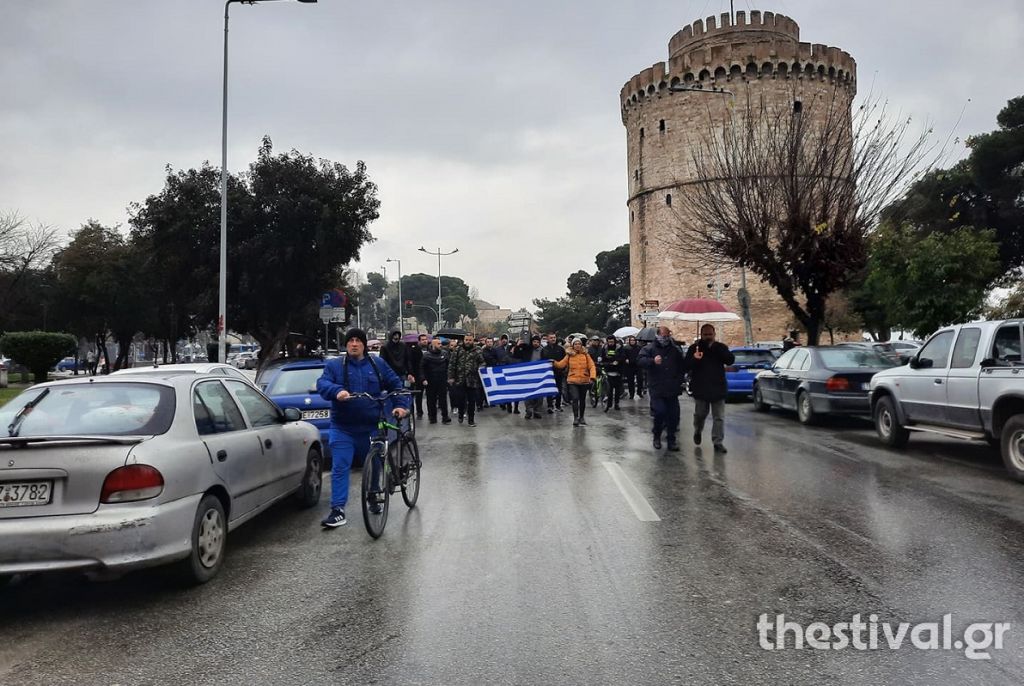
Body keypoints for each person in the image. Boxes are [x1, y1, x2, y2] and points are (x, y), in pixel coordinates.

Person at [316, 328, 410, 528]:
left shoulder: (377, 364)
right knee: (340, 467)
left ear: (364, 344)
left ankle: (374, 495)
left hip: (371, 426)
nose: (354, 344)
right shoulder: (335, 366)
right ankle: (337, 510)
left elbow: (395, 385)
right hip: (343, 427)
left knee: (376, 463)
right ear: (346, 344)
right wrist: (337, 391)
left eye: (358, 340)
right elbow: (322, 384)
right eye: (350, 341)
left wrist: (401, 405)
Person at [685, 324, 735, 453]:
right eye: (705, 335)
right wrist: (695, 359)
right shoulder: (694, 348)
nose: (708, 337)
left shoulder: (720, 347)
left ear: (714, 334)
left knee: (719, 417)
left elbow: (730, 360)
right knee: (700, 414)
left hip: (718, 387)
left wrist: (717, 349)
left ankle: (718, 442)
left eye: (710, 334)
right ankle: (697, 430)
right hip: (701, 388)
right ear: (701, 335)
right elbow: (686, 366)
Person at [638, 325, 686, 451]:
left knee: (674, 415)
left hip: (672, 388)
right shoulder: (649, 348)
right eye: (663, 336)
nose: (665, 338)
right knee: (660, 412)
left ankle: (671, 440)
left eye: (667, 335)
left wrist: (680, 380)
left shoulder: (674, 349)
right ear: (658, 335)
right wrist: (652, 361)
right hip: (657, 387)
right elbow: (640, 360)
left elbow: (682, 366)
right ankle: (657, 436)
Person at [553, 338, 597, 427]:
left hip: (584, 380)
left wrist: (592, 377)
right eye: (575, 344)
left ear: (581, 345)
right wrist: (553, 362)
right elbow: (561, 364)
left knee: (582, 400)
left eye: (579, 344)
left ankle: (582, 417)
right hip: (572, 380)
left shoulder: (586, 355)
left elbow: (592, 366)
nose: (577, 345)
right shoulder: (569, 355)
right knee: (575, 398)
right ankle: (576, 418)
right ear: (573, 345)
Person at [448, 334, 485, 426]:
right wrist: (451, 377)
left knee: (472, 401)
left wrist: (481, 367)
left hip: (472, 380)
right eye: (466, 340)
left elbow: (482, 362)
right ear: (463, 340)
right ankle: (461, 414)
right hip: (460, 379)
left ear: (473, 340)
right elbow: (452, 364)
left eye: (470, 340)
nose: (468, 342)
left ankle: (471, 420)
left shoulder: (477, 350)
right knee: (460, 399)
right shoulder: (458, 349)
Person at [420, 335, 451, 424]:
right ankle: (432, 417)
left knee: (443, 400)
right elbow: (421, 368)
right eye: (438, 344)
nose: (440, 345)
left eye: (440, 343)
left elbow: (449, 366)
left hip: (442, 380)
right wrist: (423, 379)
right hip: (430, 380)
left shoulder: (444, 354)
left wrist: (450, 377)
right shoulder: (426, 356)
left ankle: (445, 417)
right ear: (433, 345)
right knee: (431, 400)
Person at [521, 334, 546, 419]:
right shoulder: (527, 349)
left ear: (539, 343)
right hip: (528, 375)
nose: (535, 343)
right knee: (528, 393)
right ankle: (528, 410)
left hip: (539, 376)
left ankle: (537, 410)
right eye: (534, 341)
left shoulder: (543, 350)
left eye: (537, 342)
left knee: (539, 394)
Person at [541, 333, 566, 413]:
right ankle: (550, 406)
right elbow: (542, 361)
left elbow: (565, 360)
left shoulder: (561, 349)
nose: (553, 339)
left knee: (559, 390)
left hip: (559, 372)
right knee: (549, 390)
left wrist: (563, 369)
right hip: (549, 373)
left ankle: (558, 405)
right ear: (548, 339)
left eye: (554, 337)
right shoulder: (544, 349)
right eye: (551, 338)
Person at [602, 335, 624, 411]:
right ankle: (609, 403)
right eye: (609, 342)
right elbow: (603, 358)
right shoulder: (605, 348)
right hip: (608, 370)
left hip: (618, 371)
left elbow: (622, 356)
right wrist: (605, 363)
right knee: (609, 389)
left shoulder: (619, 348)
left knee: (617, 389)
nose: (610, 343)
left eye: (612, 342)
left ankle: (617, 403)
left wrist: (617, 361)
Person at [409, 334, 429, 418]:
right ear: (419, 341)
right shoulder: (414, 350)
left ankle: (430, 412)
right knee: (418, 395)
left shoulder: (430, 349)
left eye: (425, 339)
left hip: (428, 375)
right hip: (417, 375)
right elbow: (412, 363)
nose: (425, 341)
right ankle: (418, 412)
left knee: (429, 395)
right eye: (423, 339)